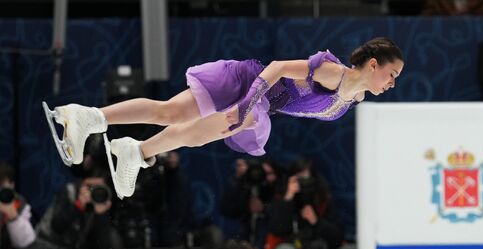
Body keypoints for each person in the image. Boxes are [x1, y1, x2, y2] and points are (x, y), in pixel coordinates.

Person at [45, 37, 404, 198]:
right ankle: (91, 121)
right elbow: (277, 68)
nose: (392, 83)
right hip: (248, 82)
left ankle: (130, 148)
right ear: (373, 64)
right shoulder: (333, 73)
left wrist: (249, 109)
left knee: (174, 115)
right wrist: (248, 102)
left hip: (260, 103)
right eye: (391, 74)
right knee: (183, 115)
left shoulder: (354, 96)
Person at [267, 158, 357, 249]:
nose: (303, 183)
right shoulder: (284, 198)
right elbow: (278, 230)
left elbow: (337, 237)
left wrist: (316, 222)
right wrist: (288, 197)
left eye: (306, 179)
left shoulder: (322, 197)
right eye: (299, 179)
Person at [36, 171, 123, 249]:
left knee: (112, 241)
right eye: (91, 186)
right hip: (52, 247)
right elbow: (57, 227)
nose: (95, 191)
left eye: (99, 187)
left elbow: (103, 246)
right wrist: (78, 206)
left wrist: (101, 214)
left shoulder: (102, 199)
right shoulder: (69, 191)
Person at [0, 161, 60, 249]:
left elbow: (25, 242)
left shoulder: (18, 201)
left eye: (3, 188)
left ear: (12, 185)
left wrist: (13, 216)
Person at [220, 157, 282, 249]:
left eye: (268, 174)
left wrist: (264, 208)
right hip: (243, 239)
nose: (262, 177)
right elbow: (226, 209)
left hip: (268, 244)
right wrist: (237, 179)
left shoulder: (278, 190)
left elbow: (281, 219)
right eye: (260, 173)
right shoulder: (243, 187)